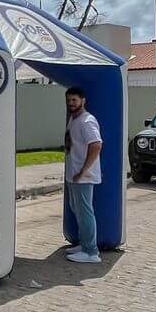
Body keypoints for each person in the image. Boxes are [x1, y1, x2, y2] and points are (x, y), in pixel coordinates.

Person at [63, 86, 103, 265]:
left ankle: (91, 251)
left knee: (85, 211)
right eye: (69, 100)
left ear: (83, 101)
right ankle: (84, 244)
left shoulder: (87, 121)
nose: (71, 103)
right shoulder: (74, 119)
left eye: (74, 100)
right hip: (74, 174)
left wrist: (83, 171)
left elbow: (96, 145)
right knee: (77, 209)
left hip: (82, 176)